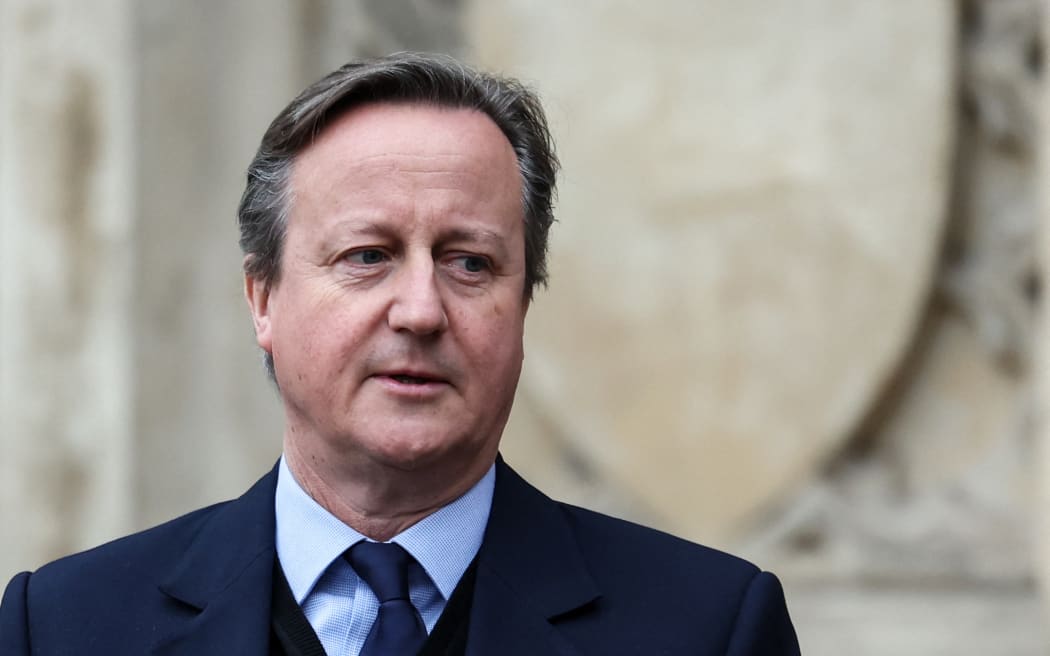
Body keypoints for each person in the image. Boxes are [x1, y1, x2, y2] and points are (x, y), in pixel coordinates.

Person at [0, 52, 800, 655]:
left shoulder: (707, 629)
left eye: (470, 263)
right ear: (263, 298)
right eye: (367, 255)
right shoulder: (65, 628)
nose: (420, 310)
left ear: (523, 306)